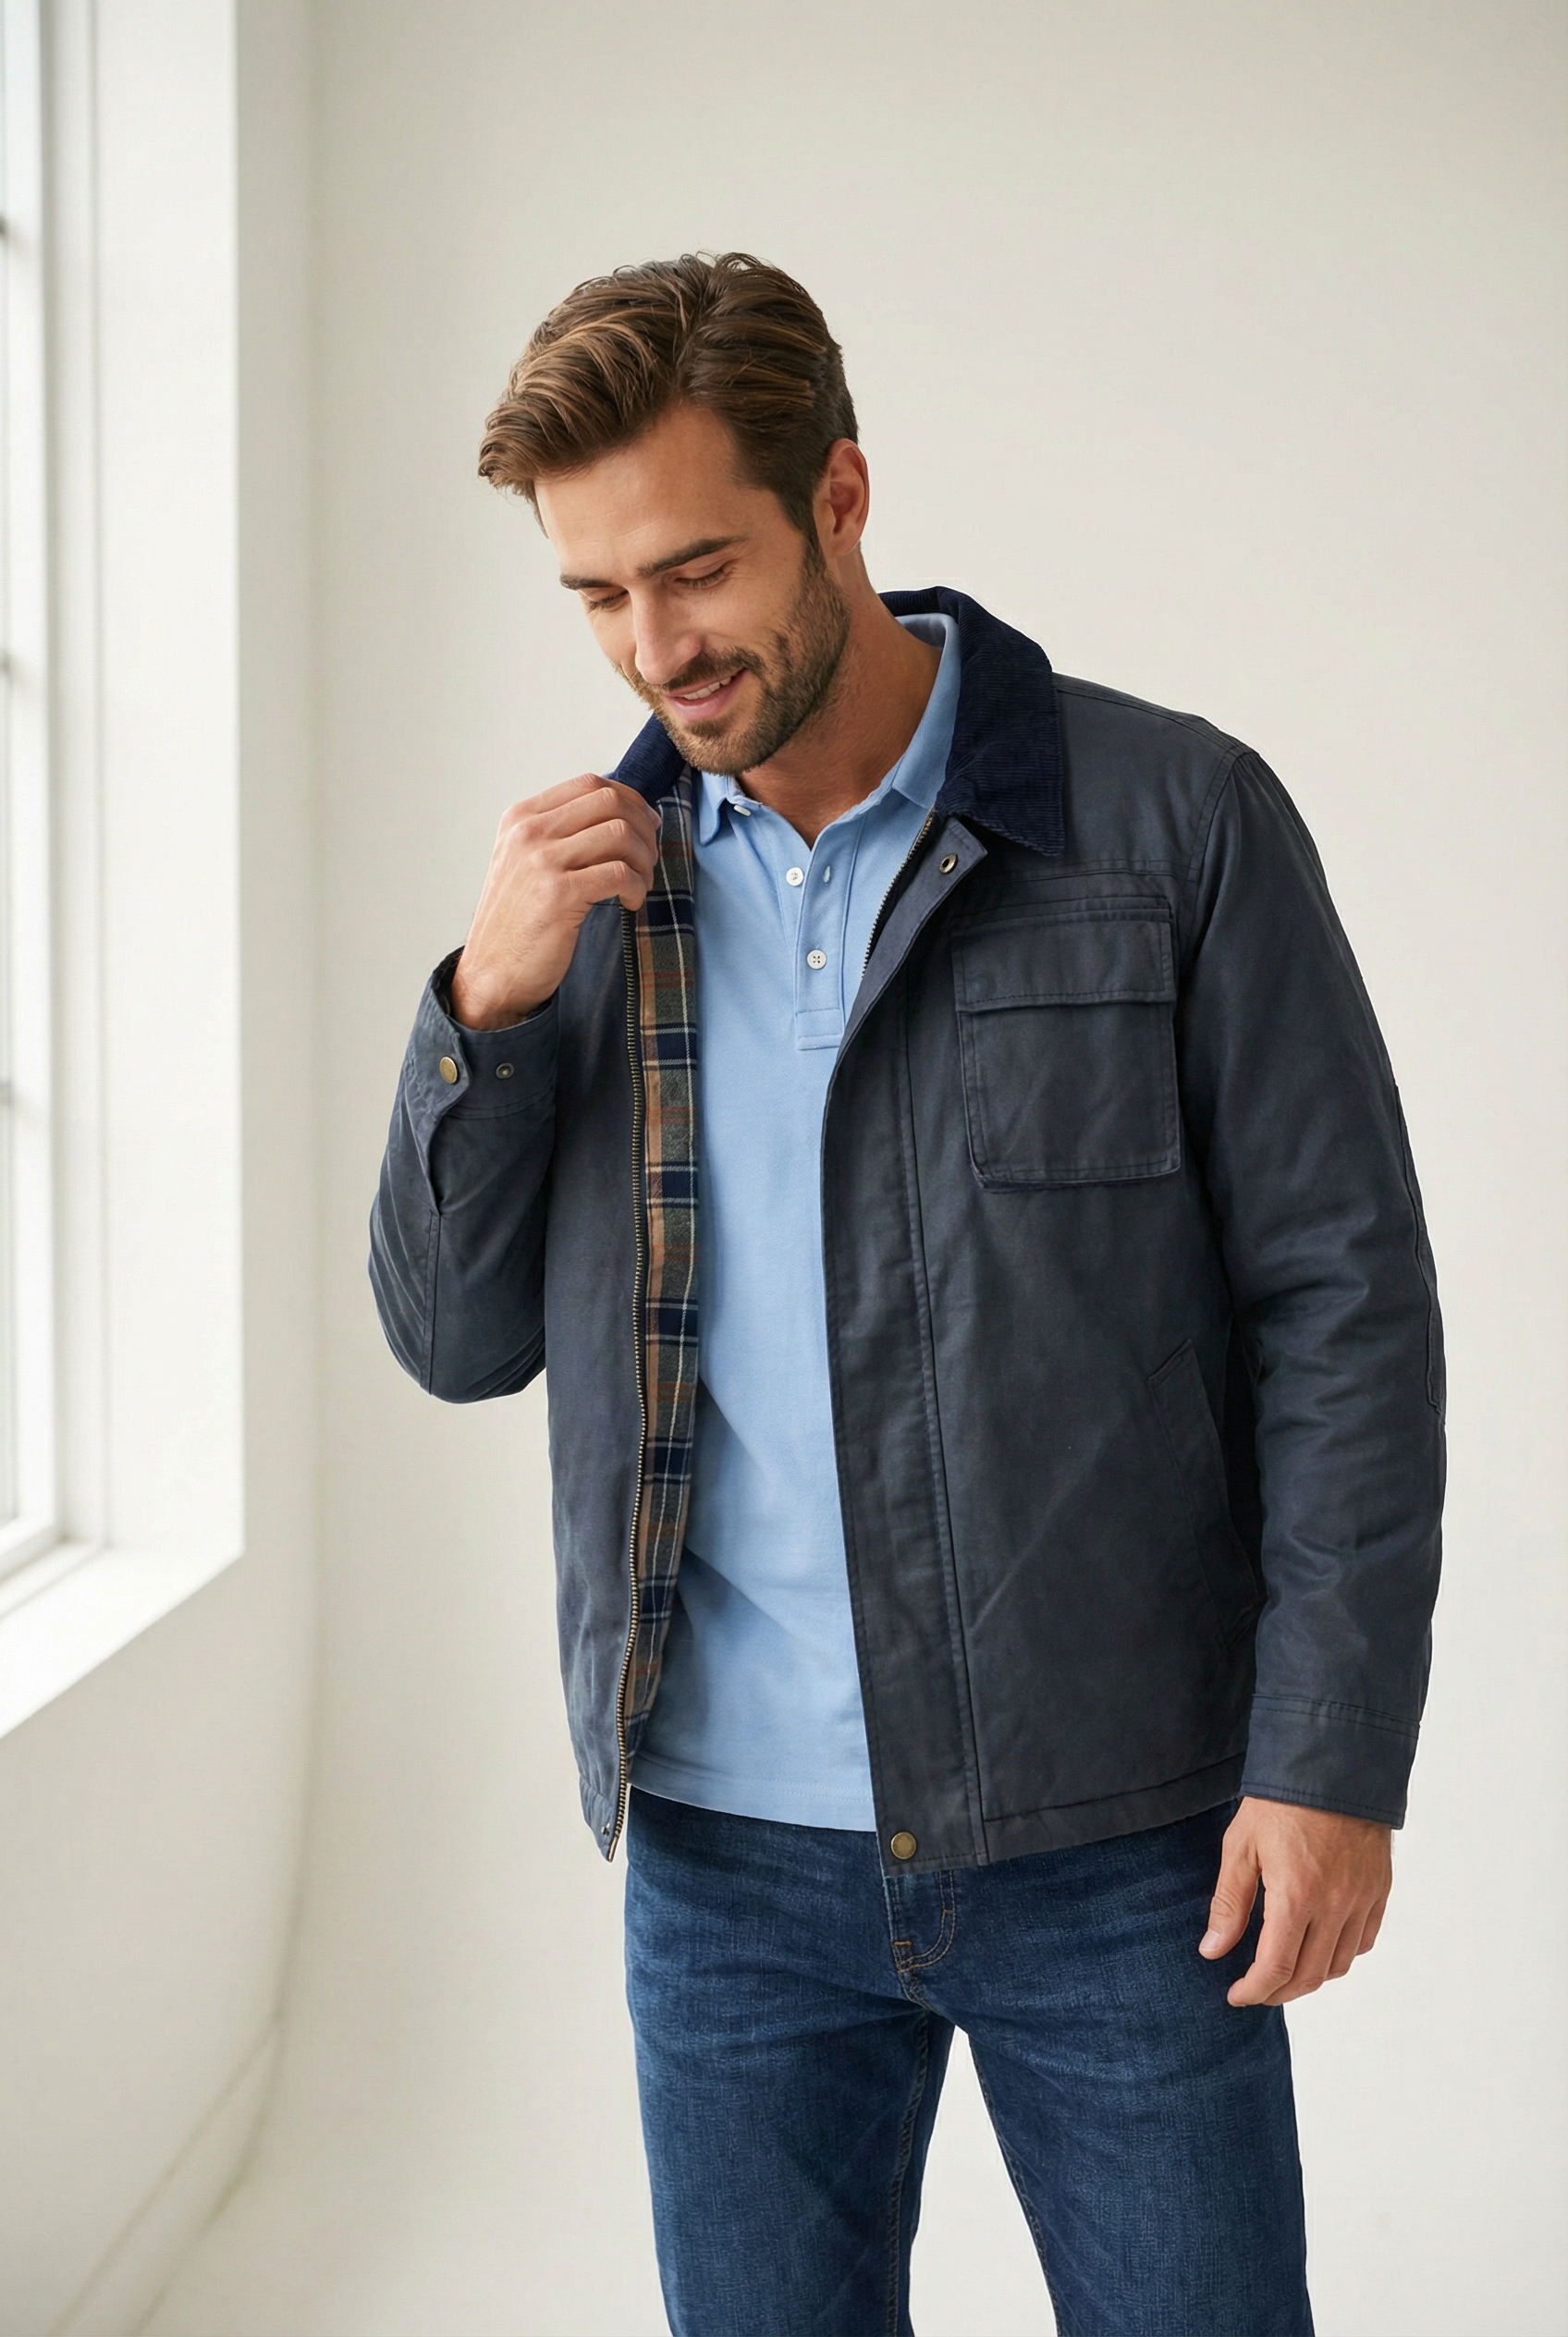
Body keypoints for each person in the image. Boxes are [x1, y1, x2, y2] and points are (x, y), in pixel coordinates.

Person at [370, 251, 1443, 2337]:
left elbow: (1345, 1308)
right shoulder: (586, 901)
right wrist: (482, 1007)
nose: (657, 649)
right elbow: (451, 1337)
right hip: (726, 1871)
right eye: (598, 596)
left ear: (840, 498)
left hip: (1119, 1840)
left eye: (698, 569)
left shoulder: (1168, 822)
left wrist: (1329, 1757)